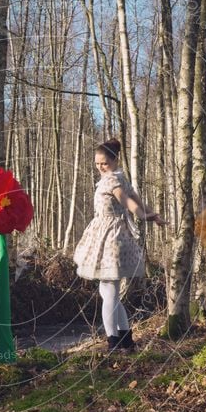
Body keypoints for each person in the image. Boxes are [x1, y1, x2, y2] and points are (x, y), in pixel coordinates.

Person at [73, 139, 166, 351]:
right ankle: (125, 338)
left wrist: (145, 215)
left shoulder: (112, 182)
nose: (100, 168)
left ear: (115, 160)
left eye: (104, 164)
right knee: (109, 292)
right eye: (97, 164)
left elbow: (129, 201)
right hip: (110, 235)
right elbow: (135, 198)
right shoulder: (119, 178)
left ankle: (113, 341)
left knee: (109, 290)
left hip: (111, 239)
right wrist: (150, 214)